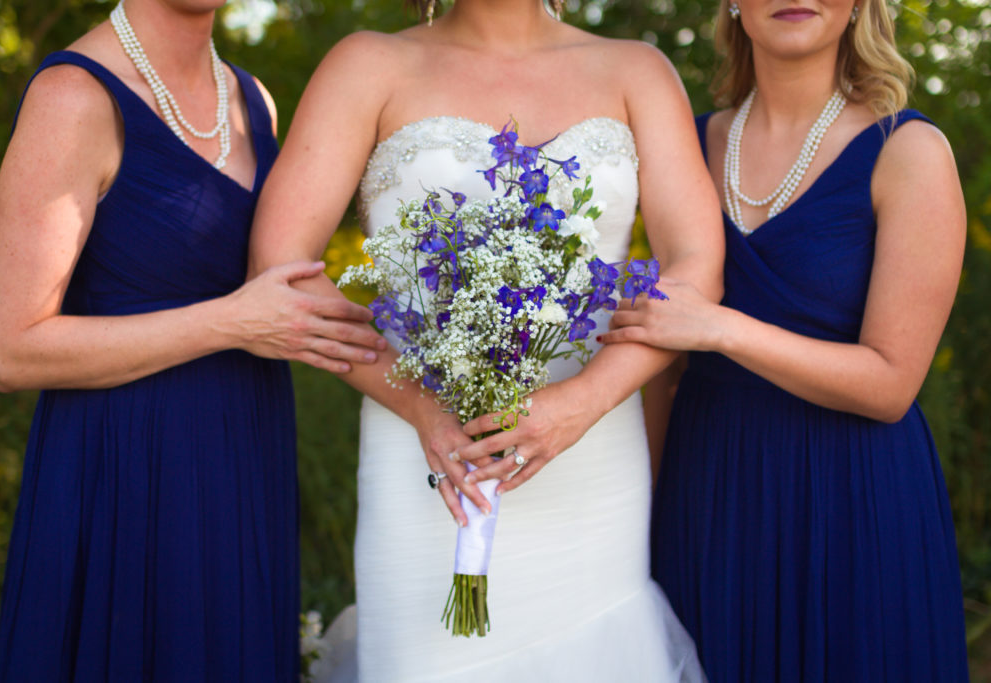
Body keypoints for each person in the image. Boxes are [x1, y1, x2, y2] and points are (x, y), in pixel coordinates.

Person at [249, 0, 723, 680]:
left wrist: (584, 400)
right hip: (426, 458)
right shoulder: (367, 65)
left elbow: (695, 270)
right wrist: (421, 408)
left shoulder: (636, 72)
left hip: (591, 461)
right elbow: (280, 268)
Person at [0, 0, 387, 679]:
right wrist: (228, 321)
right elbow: (10, 349)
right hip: (126, 470)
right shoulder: (74, 96)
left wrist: (446, 377)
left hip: (244, 454)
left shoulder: (252, 101)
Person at [599, 0, 969, 679]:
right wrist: (639, 517)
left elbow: (891, 384)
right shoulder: (683, 145)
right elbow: (663, 360)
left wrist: (723, 328)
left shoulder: (908, 151)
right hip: (710, 490)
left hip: (853, 499)